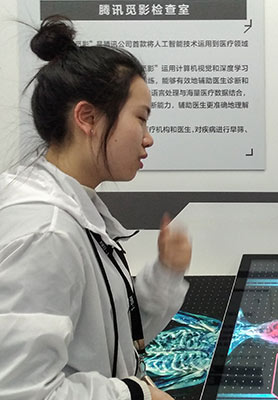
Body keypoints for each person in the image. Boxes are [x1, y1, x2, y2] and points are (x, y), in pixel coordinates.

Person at [0, 16, 192, 400]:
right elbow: (22, 391)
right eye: (141, 118)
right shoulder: (46, 231)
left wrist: (166, 274)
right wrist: (137, 394)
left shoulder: (72, 209)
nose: (148, 138)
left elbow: (112, 333)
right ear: (87, 118)